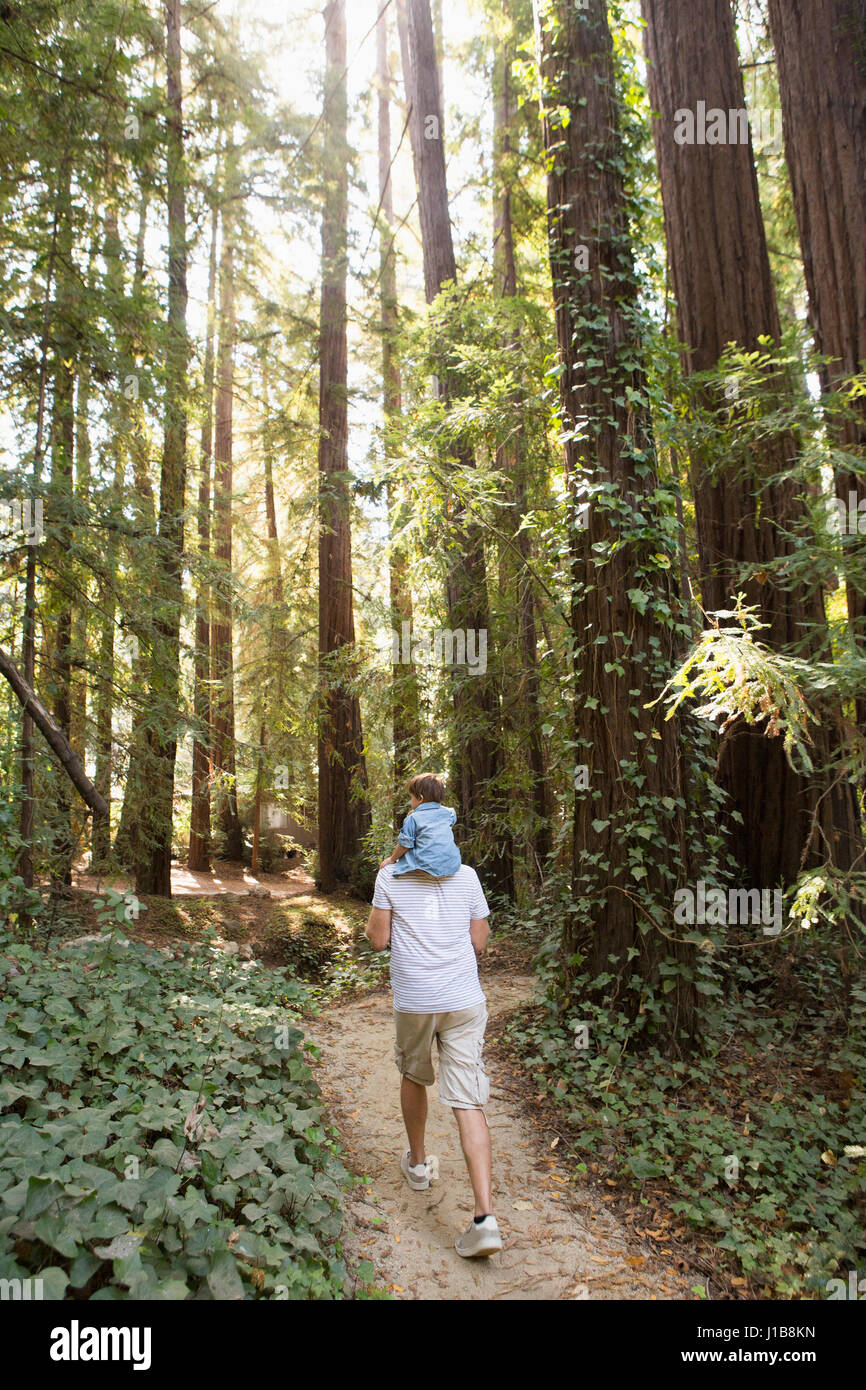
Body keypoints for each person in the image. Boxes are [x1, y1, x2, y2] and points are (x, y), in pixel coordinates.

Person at [365, 844, 502, 1258]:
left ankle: (420, 1165)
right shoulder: (468, 875)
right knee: (467, 1100)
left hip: (416, 1000)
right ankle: (484, 1220)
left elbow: (377, 940)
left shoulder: (390, 876)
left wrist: (389, 871)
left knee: (413, 1074)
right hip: (463, 999)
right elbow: (479, 940)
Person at [379, 772, 462, 879]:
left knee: (409, 849)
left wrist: (392, 859)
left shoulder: (413, 818)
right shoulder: (449, 813)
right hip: (451, 865)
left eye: (411, 797)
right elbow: (450, 822)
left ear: (420, 798)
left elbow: (405, 845)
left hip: (425, 867)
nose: (410, 801)